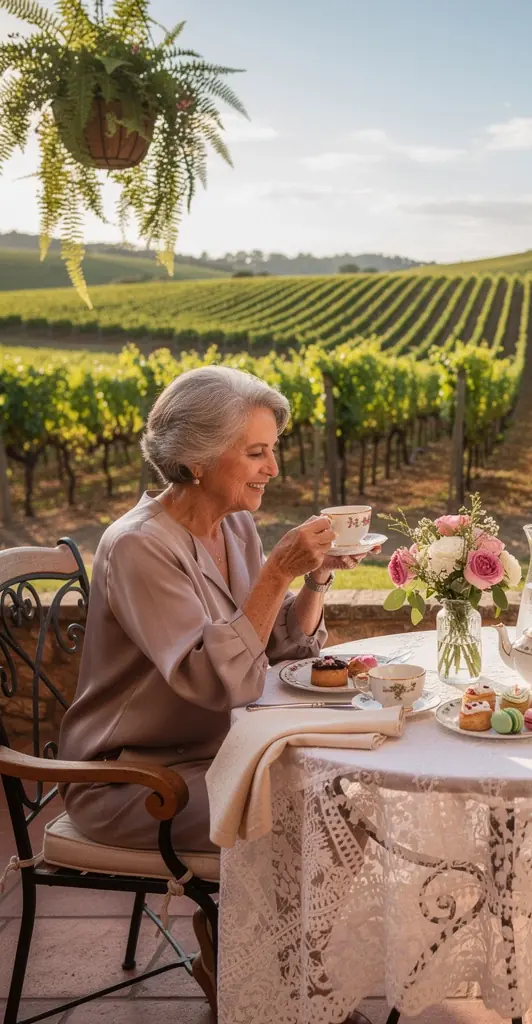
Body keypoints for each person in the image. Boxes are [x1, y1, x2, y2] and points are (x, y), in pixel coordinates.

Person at [58, 365, 375, 1012]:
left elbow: (273, 648)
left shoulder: (233, 526)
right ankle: (264, 980)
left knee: (347, 781)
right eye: (255, 452)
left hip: (215, 755)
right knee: (311, 809)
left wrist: (311, 581)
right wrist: (277, 574)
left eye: (272, 450)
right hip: (136, 783)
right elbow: (217, 678)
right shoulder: (138, 547)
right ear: (197, 459)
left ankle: (272, 962)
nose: (272, 468)